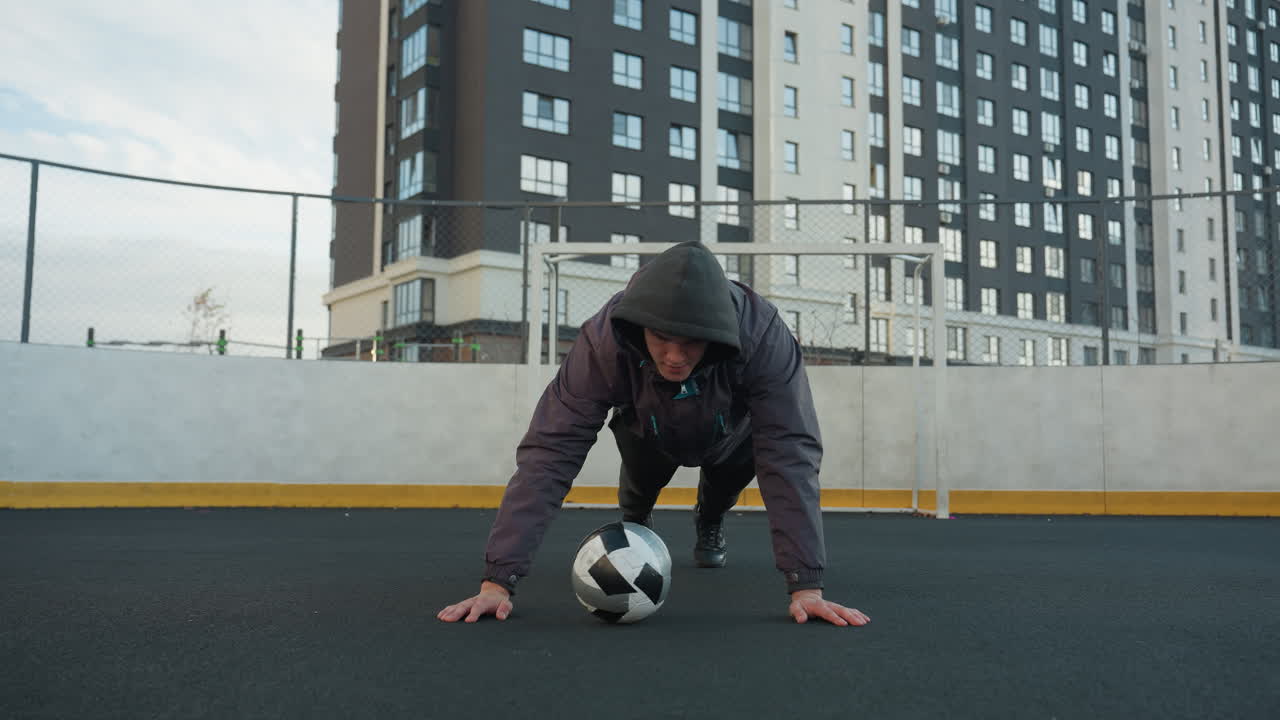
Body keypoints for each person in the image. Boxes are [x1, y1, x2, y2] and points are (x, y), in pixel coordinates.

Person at [437, 241, 870, 627]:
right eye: (661, 339)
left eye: (692, 343)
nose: (675, 357)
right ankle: (638, 525)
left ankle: (711, 519)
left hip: (733, 436)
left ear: (719, 335)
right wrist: (499, 579)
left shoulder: (762, 336)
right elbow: (550, 452)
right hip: (646, 427)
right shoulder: (603, 341)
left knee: (724, 487)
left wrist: (805, 584)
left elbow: (790, 450)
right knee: (638, 491)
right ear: (637, 326)